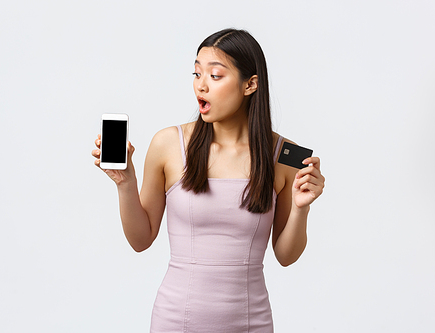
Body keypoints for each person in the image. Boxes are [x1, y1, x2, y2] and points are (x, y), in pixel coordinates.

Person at [92, 28, 325, 333]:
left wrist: (301, 208)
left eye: (215, 76)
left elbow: (286, 256)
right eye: (197, 73)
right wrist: (125, 183)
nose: (200, 85)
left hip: (251, 322)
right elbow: (140, 239)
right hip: (176, 321)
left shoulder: (285, 156)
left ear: (250, 84)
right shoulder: (168, 144)